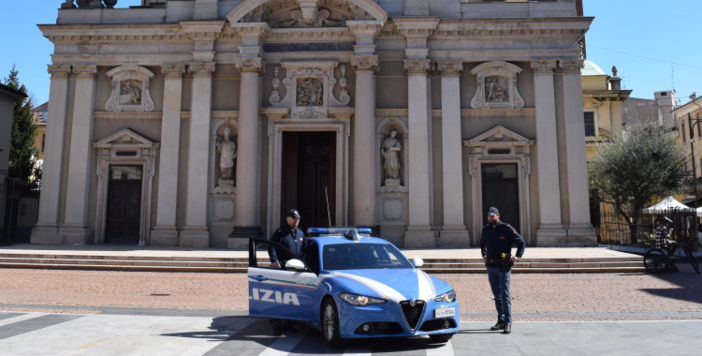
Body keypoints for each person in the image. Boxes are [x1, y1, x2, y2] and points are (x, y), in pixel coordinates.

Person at [480, 207, 525, 334]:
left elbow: (521, 242)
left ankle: (507, 323)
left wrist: (517, 256)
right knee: (497, 296)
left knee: (505, 295)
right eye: (489, 216)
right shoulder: (486, 230)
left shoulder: (506, 228)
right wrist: (483, 254)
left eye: (492, 216)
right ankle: (500, 321)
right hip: (490, 266)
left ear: (498, 216)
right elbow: (482, 243)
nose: (490, 218)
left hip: (503, 266)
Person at [268, 209, 306, 336]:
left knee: (291, 297)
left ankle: (288, 323)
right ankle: (277, 326)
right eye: (293, 218)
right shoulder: (280, 233)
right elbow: (271, 246)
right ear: (287, 219)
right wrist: (274, 260)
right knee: (279, 298)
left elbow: (304, 250)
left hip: (295, 271)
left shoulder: (300, 233)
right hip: (282, 270)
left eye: (298, 218)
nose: (296, 220)